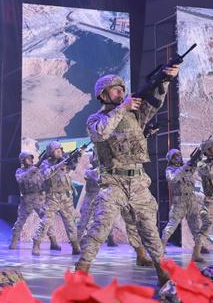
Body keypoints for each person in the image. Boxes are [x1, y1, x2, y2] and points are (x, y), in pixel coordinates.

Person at [76, 70, 181, 286]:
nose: (121, 93)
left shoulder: (135, 115)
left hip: (138, 182)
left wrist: (165, 80)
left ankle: (163, 272)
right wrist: (122, 109)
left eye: (122, 89)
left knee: (149, 229)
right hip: (113, 182)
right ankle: (82, 269)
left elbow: (155, 103)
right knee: (100, 226)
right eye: (116, 90)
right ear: (103, 95)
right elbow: (101, 133)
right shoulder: (96, 119)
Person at [33, 143, 82, 255]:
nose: (59, 151)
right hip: (52, 197)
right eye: (56, 150)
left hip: (66, 197)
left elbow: (72, 166)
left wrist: (77, 156)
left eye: (60, 149)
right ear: (50, 152)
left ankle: (75, 245)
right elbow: (45, 175)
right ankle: (36, 244)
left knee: (70, 223)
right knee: (45, 222)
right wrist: (59, 165)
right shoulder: (46, 163)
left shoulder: (64, 160)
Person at [159, 148, 203, 248]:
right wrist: (184, 167)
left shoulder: (186, 167)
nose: (178, 157)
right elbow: (172, 178)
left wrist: (198, 156)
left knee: (195, 224)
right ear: (171, 159)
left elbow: (195, 166)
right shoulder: (170, 170)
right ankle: (162, 243)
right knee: (173, 224)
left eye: (179, 155)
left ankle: (199, 245)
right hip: (179, 201)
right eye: (175, 156)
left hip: (191, 199)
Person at [10, 151, 46, 250]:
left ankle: (53, 241)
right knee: (20, 221)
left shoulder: (37, 169)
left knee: (46, 219)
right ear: (22, 160)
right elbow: (20, 179)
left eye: (31, 158)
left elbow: (43, 180)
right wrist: (32, 170)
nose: (30, 160)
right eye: (27, 158)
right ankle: (14, 242)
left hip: (38, 198)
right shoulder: (20, 171)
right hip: (27, 199)